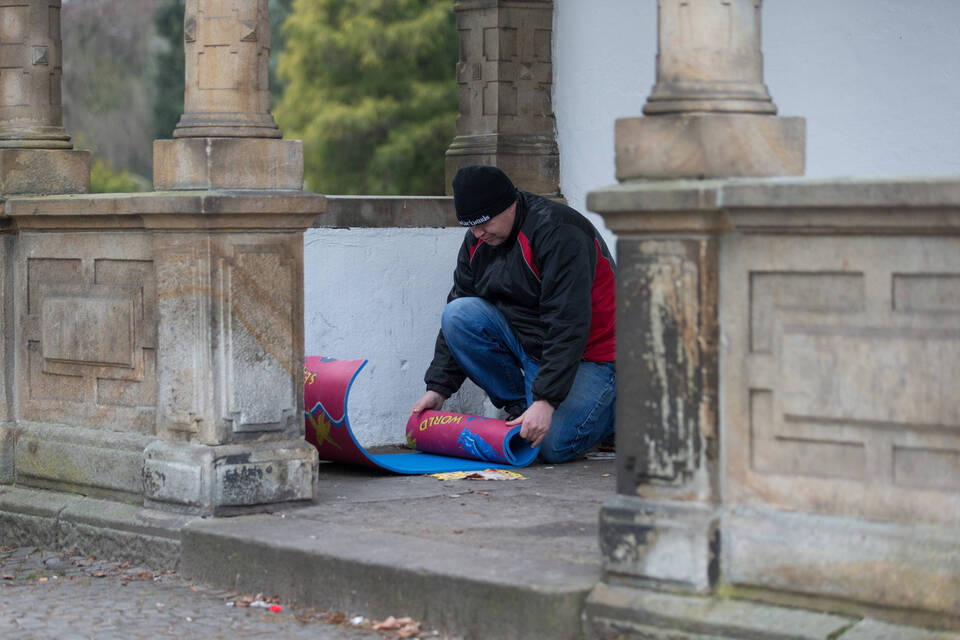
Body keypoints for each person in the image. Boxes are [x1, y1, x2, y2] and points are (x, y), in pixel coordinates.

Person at [410, 165, 616, 463]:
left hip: (593, 355)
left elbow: (567, 324)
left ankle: (614, 414)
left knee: (548, 446)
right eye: (469, 225)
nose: (476, 233)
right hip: (536, 349)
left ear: (509, 205)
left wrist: (546, 401)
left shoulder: (559, 233)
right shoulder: (478, 239)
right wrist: (438, 388)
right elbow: (460, 299)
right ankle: (524, 409)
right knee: (459, 314)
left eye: (483, 223)